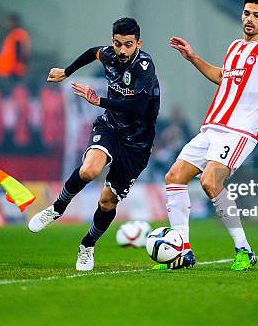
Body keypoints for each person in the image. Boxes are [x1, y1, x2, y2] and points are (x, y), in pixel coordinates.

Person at [162, 0, 258, 271]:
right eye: (247, 13)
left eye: (256, 15)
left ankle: (244, 250)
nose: (250, 19)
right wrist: (192, 58)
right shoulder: (235, 46)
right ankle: (183, 251)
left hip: (240, 131)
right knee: (174, 177)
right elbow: (221, 76)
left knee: (210, 182)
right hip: (212, 127)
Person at [27, 18, 160, 271]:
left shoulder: (144, 66)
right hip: (110, 127)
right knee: (89, 170)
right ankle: (56, 208)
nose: (122, 50)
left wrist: (98, 100)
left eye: (128, 45)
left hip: (137, 144)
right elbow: (92, 53)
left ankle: (87, 245)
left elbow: (138, 107)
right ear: (113, 41)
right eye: (118, 44)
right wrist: (66, 71)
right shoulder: (109, 54)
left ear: (138, 44)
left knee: (107, 202)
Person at [0, 13, 30, 91]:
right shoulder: (13, 34)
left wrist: (18, 70)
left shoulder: (18, 33)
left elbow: (20, 52)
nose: (8, 24)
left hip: (10, 73)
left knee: (8, 96)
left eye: (10, 22)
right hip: (5, 72)